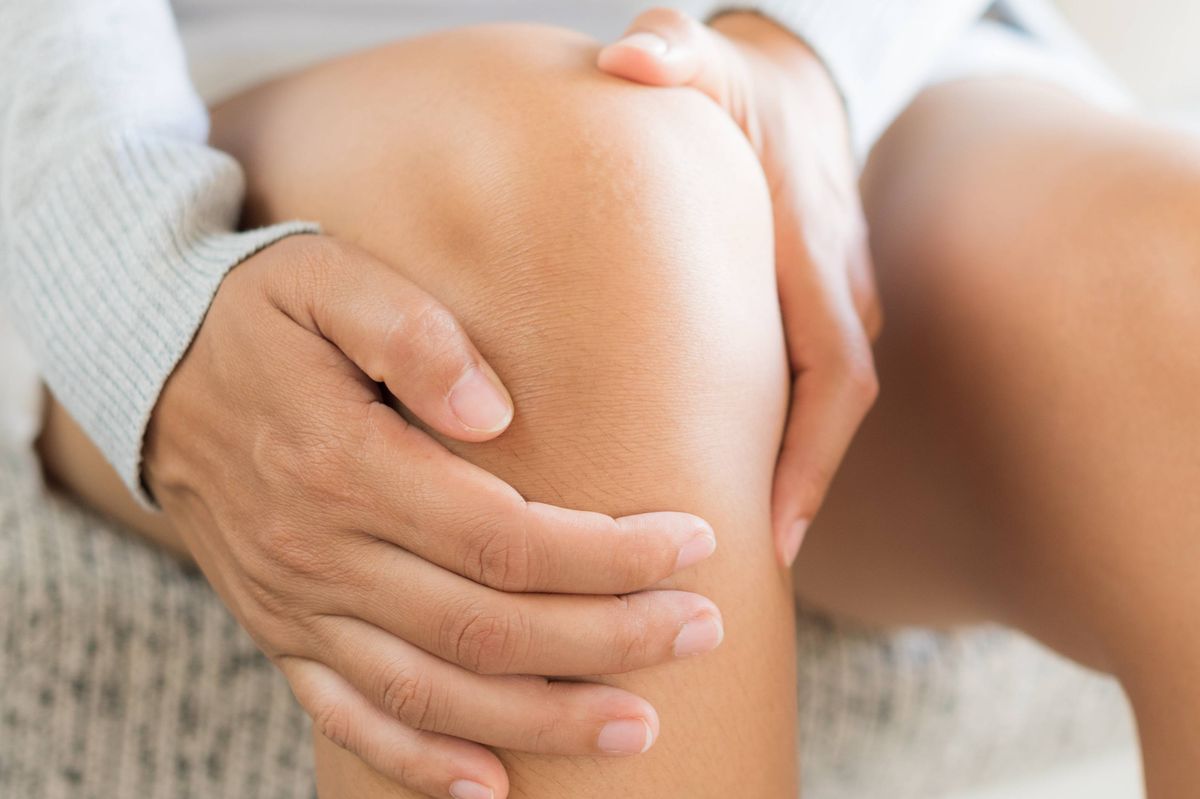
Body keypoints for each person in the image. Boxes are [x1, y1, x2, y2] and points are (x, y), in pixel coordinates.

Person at [3, 1, 1199, 798]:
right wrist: (128, 277)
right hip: (160, 100)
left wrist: (805, 48)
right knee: (587, 230)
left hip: (856, 67)